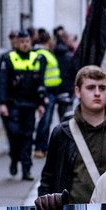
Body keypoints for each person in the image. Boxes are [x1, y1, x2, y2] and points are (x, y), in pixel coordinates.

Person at [36, 65, 106, 207]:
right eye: (90, 88)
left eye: (102, 88)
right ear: (78, 91)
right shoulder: (62, 133)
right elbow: (48, 180)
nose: (97, 93)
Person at [0, 29, 47, 181]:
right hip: (13, 104)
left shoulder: (37, 58)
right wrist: (3, 103)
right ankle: (14, 158)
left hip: (30, 104)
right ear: (16, 43)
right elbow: (3, 83)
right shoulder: (8, 58)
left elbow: (40, 83)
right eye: (22, 42)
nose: (24, 45)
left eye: (27, 42)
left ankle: (26, 169)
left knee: (27, 136)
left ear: (30, 42)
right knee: (14, 134)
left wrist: (41, 102)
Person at [34, 28, 68, 157]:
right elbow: (40, 76)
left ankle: (43, 147)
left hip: (51, 92)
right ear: (48, 41)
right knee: (44, 121)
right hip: (47, 93)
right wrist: (42, 96)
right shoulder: (43, 55)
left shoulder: (46, 53)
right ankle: (39, 147)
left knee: (47, 121)